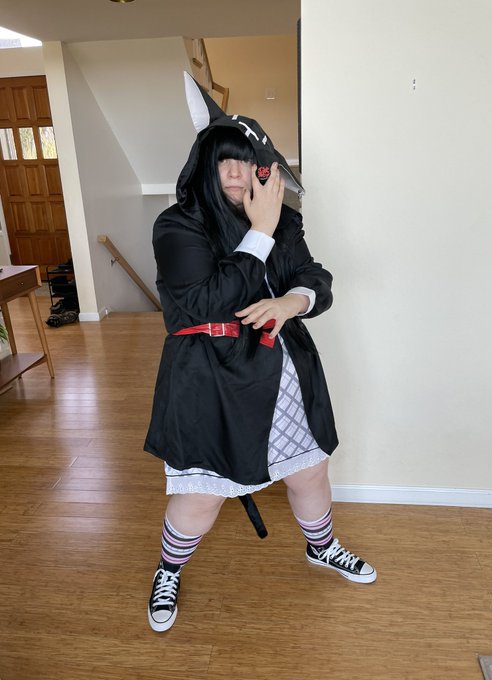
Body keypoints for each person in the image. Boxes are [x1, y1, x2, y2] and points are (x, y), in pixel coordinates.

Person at [144, 74, 376, 633]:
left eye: (246, 161)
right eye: (224, 160)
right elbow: (205, 302)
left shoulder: (284, 222)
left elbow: (314, 277)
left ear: (262, 169)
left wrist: (292, 301)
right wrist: (261, 231)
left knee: (309, 472)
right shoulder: (177, 227)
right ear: (205, 164)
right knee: (201, 497)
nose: (235, 172)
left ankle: (321, 547)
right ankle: (168, 570)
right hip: (209, 379)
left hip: (283, 372)